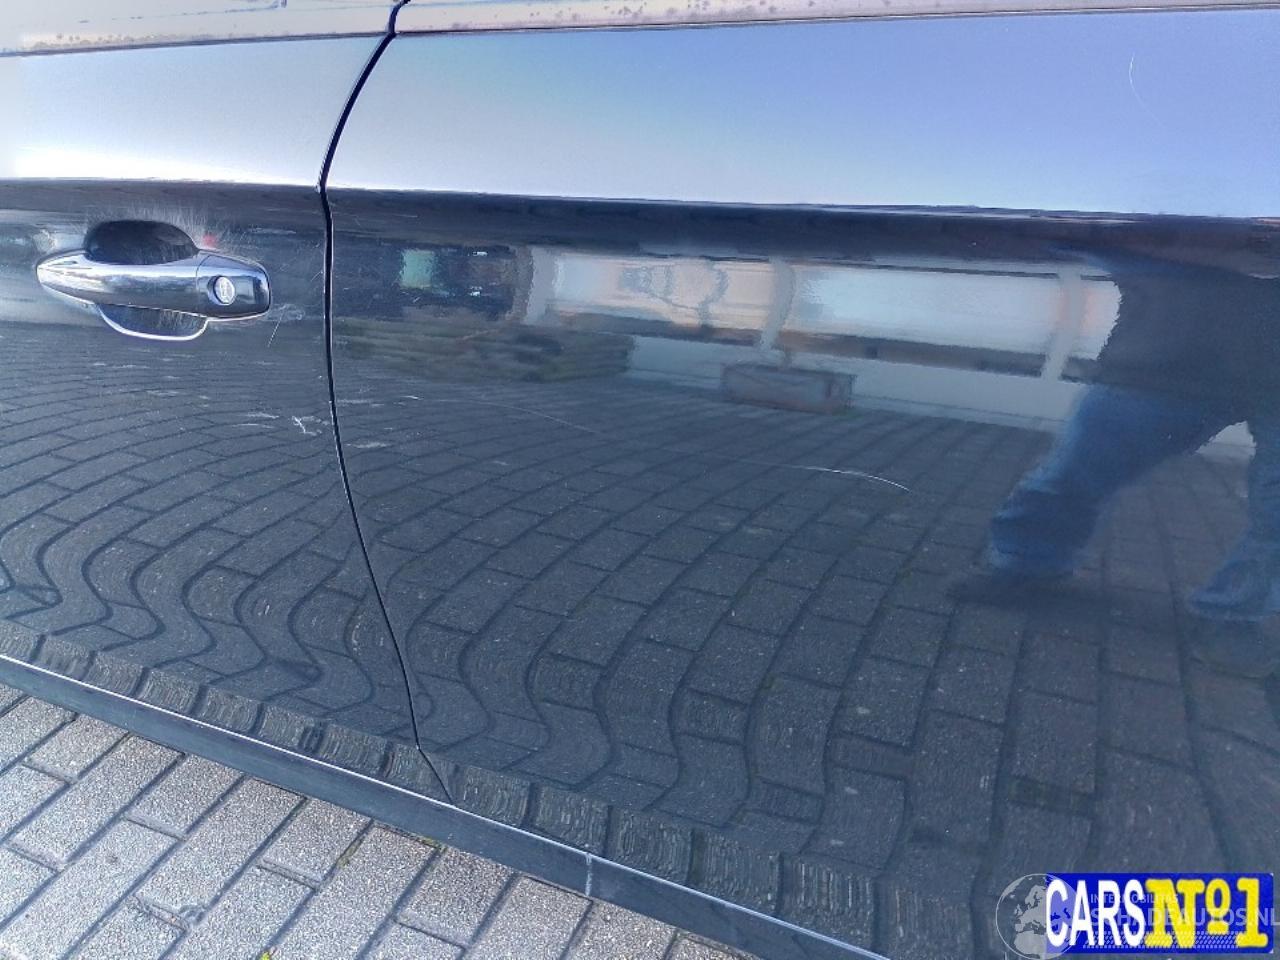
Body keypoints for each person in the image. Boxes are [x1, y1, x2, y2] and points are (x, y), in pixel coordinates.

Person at [951, 235, 1280, 676]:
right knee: (1077, 469)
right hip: (1176, 343)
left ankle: (1234, 615)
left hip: (1182, 329)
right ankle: (1025, 563)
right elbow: (1109, 230)